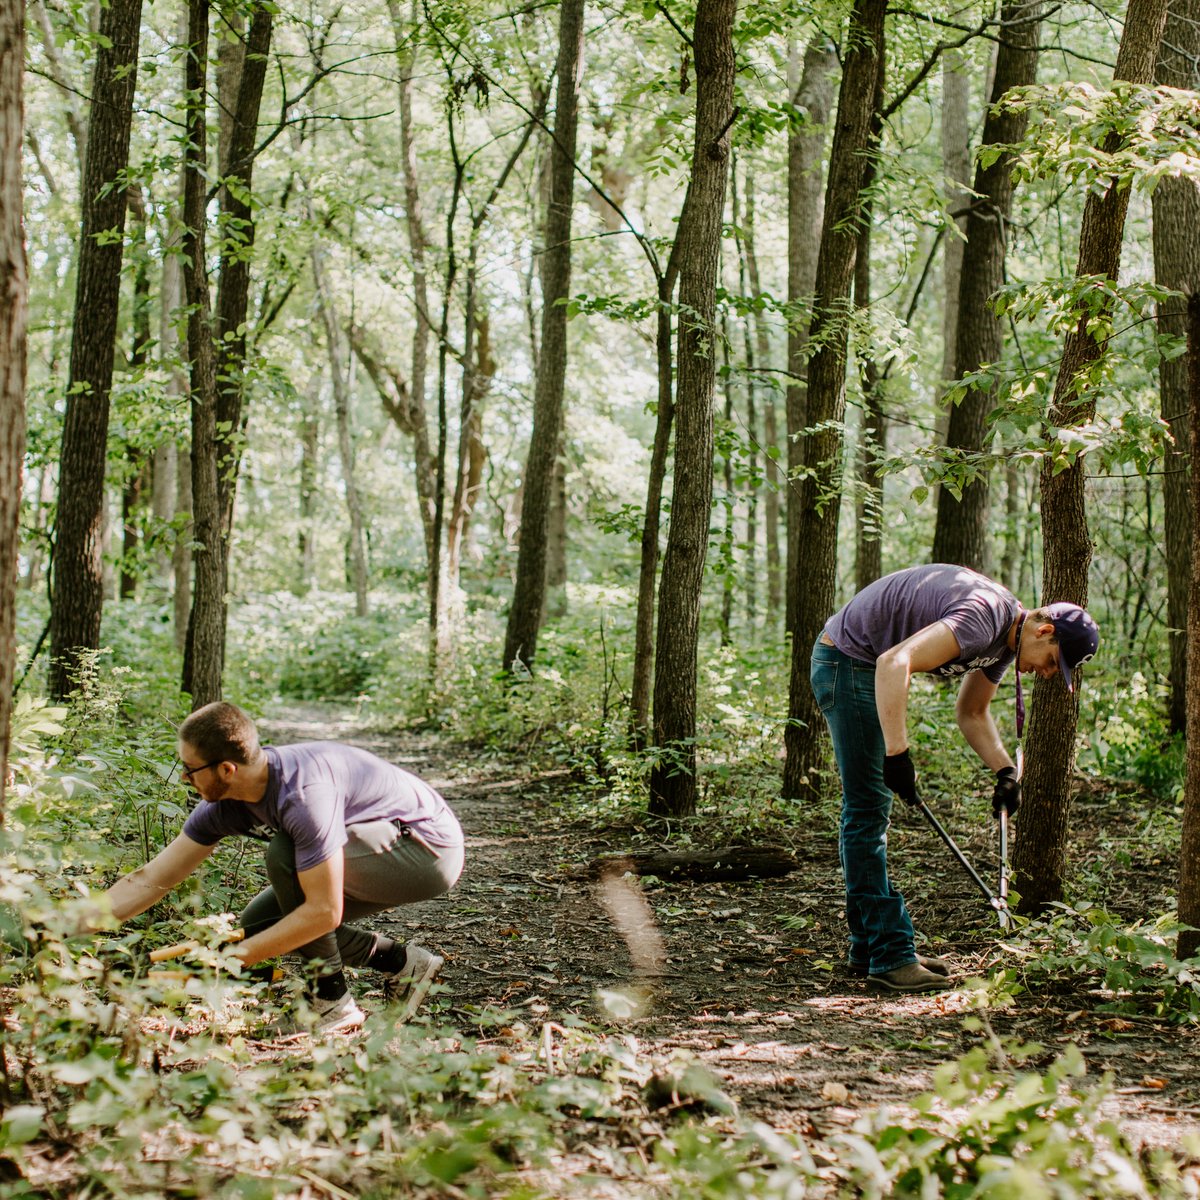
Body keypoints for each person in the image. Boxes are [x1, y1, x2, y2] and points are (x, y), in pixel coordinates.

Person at [809, 564, 1099, 993]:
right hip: (848, 661)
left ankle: (870, 946)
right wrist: (897, 754)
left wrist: (1006, 770)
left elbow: (972, 712)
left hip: (862, 666)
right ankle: (890, 954)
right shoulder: (984, 617)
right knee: (867, 810)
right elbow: (893, 661)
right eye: (1054, 662)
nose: (1049, 673)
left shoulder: (1004, 644)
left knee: (867, 812)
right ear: (1044, 632)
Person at [101, 702, 466, 1033]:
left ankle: (330, 1002)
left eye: (190, 768)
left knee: (285, 857)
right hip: (379, 844)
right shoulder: (222, 806)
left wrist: (234, 959)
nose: (184, 777)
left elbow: (323, 912)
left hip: (427, 851)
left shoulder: (302, 795)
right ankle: (403, 963)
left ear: (226, 769)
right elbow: (152, 879)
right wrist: (74, 922)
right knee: (262, 924)